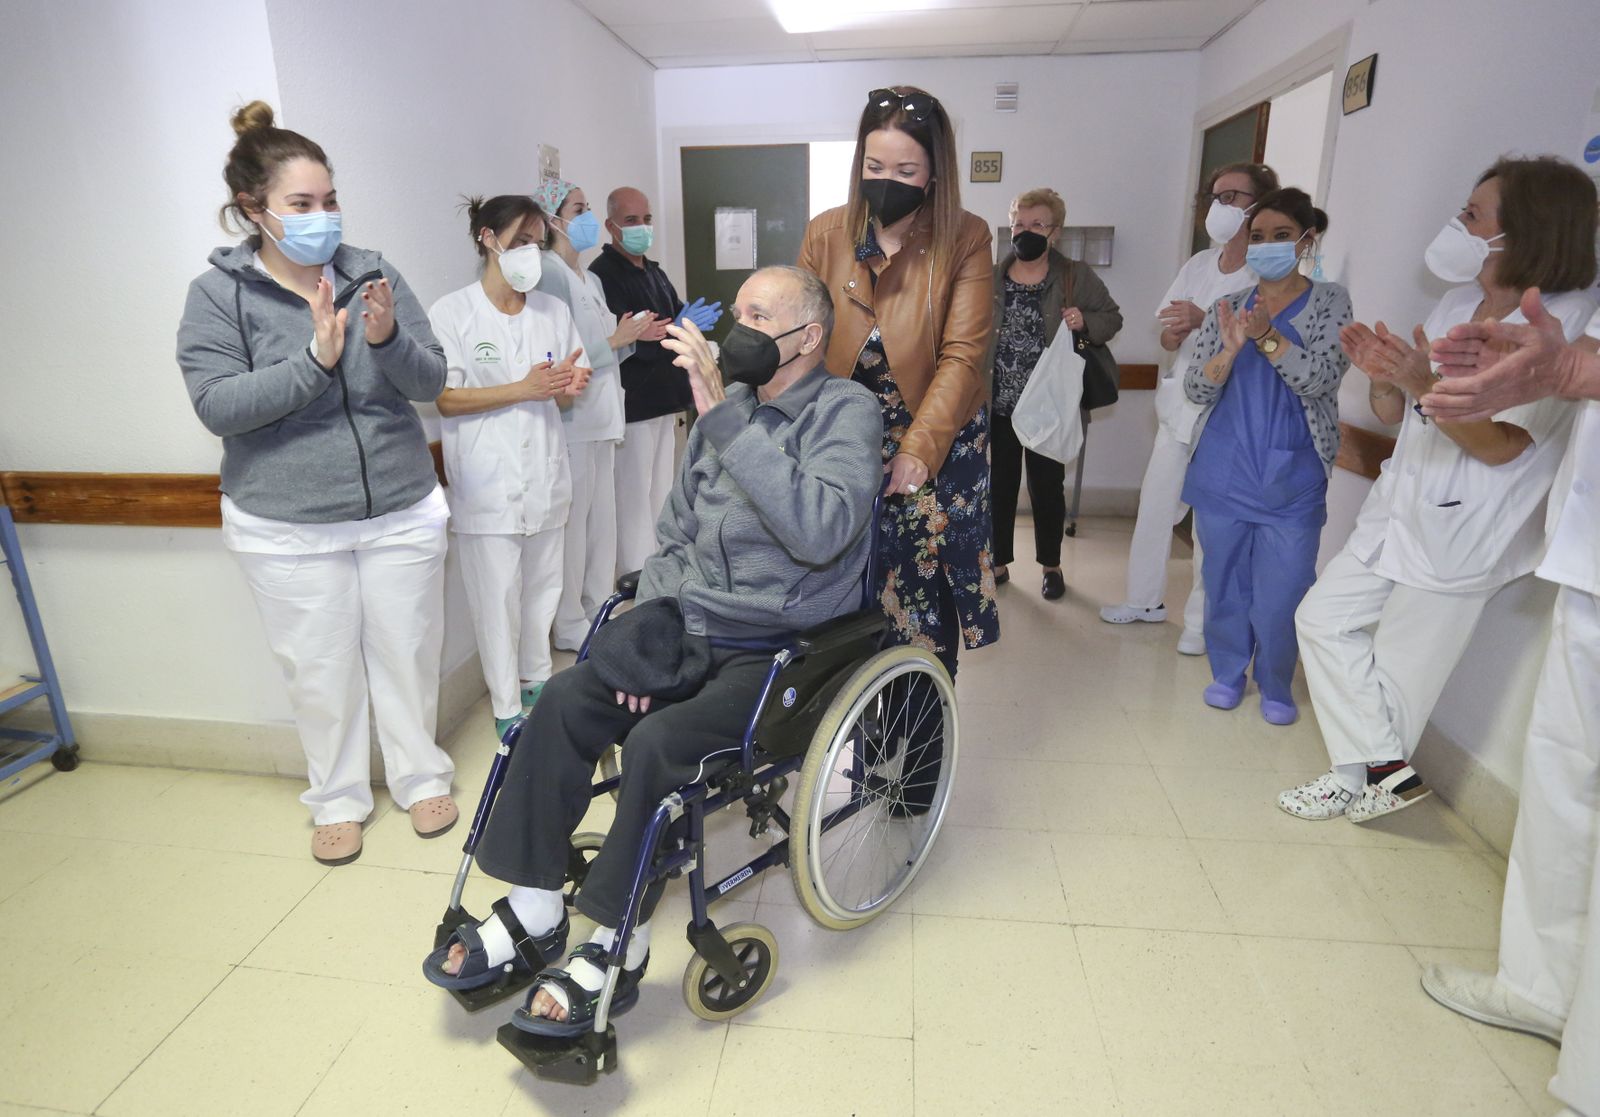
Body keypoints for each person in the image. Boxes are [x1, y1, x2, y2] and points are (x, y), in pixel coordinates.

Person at [422, 266, 881, 1036]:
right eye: (737, 311)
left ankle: (617, 940)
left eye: (757, 316)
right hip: (690, 625)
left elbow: (819, 530)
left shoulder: (845, 410)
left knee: (660, 743)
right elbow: (672, 539)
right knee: (565, 698)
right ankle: (535, 908)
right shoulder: (729, 409)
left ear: (807, 337)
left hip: (777, 645)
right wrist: (651, 634)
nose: (735, 330)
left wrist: (723, 420)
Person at [177, 101, 456, 866]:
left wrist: (386, 340)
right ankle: (336, 798)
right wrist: (313, 363)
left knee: (408, 651)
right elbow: (218, 405)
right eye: (300, 204)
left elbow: (431, 380)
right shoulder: (219, 296)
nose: (322, 216)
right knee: (321, 670)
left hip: (398, 506)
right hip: (287, 523)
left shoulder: (373, 274)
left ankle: (421, 776)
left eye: (329, 200)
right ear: (253, 209)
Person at [1281, 157, 1598, 822]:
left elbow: (1501, 446)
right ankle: (1385, 773)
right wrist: (1385, 377)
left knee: (1400, 670)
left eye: (1473, 215)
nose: (1458, 224)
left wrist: (1419, 381)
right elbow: (1405, 413)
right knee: (1321, 618)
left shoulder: (1564, 326)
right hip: (1402, 500)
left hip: (1470, 522)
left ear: (1525, 230)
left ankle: (1357, 783)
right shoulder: (1457, 304)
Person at [1418, 294, 1600, 1117]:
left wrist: (1572, 369)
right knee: (1562, 776)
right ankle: (1541, 986)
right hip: (1588, 559)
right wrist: (1555, 362)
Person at [799, 86, 998, 676]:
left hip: (937, 438)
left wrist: (919, 448)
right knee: (843, 594)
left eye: (906, 171)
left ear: (935, 173)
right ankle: (857, 725)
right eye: (875, 166)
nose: (887, 181)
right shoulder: (826, 234)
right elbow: (799, 333)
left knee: (919, 605)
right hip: (849, 435)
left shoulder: (966, 237)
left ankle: (920, 726)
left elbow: (963, 355)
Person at [1181, 187, 1351, 725]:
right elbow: (1196, 387)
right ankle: (1228, 672)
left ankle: (1276, 682)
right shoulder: (1227, 307)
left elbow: (1320, 378)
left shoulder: (1330, 302)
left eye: (1282, 235)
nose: (1267, 245)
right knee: (1225, 584)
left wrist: (1269, 338)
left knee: (1284, 591)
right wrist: (1230, 350)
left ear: (1307, 240)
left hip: (1293, 474)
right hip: (1224, 468)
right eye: (1258, 237)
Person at [428, 196, 592, 739]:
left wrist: (569, 385)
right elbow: (445, 398)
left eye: (537, 243)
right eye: (520, 241)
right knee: (497, 600)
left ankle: (538, 685)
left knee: (542, 592)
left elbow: (562, 395)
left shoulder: (553, 311)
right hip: (487, 483)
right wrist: (522, 388)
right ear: (487, 238)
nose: (530, 253)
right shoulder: (452, 312)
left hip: (545, 474)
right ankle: (505, 705)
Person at [1100, 163, 1279, 651]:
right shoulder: (1199, 265)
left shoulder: (1266, 273)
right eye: (1215, 196)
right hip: (1180, 406)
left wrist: (1205, 320)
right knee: (1156, 504)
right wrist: (1176, 331)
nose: (1220, 206)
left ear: (1259, 205)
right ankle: (1143, 601)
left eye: (1232, 196)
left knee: (1212, 524)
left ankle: (1202, 624)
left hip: (1229, 413)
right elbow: (1165, 335)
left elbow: (1264, 345)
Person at [533, 178, 654, 651]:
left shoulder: (591, 279)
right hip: (574, 420)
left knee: (602, 524)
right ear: (552, 219)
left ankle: (598, 607)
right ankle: (568, 621)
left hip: (604, 415)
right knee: (575, 527)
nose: (585, 218)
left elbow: (608, 347)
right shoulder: (549, 274)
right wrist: (616, 340)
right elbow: (563, 354)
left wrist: (628, 339)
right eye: (578, 209)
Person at [985, 187, 1122, 600]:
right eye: (1018, 224)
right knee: (999, 487)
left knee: (1047, 489)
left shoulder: (1074, 275)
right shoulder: (991, 276)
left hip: (1050, 407)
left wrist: (1084, 321)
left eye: (1037, 224)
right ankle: (998, 562)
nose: (1025, 231)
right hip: (999, 404)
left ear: (1056, 231)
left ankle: (1051, 565)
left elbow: (1111, 318)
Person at [588, 186, 723, 575]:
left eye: (646, 219)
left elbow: (671, 319)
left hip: (667, 399)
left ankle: (660, 570)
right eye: (631, 220)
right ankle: (637, 579)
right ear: (611, 226)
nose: (642, 227)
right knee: (634, 500)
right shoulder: (603, 275)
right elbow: (623, 339)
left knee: (662, 493)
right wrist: (665, 330)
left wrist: (685, 323)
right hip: (634, 404)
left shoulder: (654, 272)